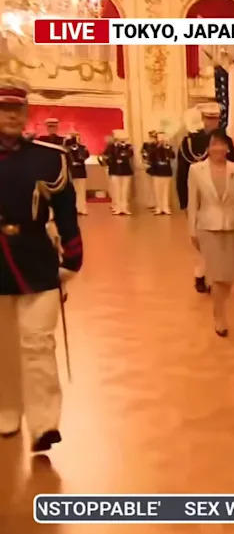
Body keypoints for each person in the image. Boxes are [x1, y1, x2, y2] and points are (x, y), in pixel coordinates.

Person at [0, 76, 83, 452]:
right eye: (4, 109)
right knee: (3, 347)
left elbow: (66, 212)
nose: (11, 115)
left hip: (36, 261)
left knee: (37, 343)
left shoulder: (48, 158)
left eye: (17, 109)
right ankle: (6, 411)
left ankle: (45, 423)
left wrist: (72, 257)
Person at [186, 129, 234, 337]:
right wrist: (191, 230)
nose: (217, 148)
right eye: (213, 144)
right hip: (207, 227)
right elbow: (193, 202)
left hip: (231, 225)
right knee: (216, 274)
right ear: (208, 148)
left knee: (229, 276)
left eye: (221, 144)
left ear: (227, 147)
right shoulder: (196, 170)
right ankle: (219, 315)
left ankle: (219, 306)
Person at [179, 103, 234, 293]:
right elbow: (181, 174)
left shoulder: (227, 141)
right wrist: (184, 202)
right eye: (209, 119)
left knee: (218, 245)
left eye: (215, 119)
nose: (212, 122)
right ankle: (206, 275)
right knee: (204, 243)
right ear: (202, 119)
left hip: (221, 200)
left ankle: (205, 275)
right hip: (199, 200)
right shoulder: (190, 142)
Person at [100, 130, 134, 215]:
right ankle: (118, 207)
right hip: (115, 170)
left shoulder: (128, 147)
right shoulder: (111, 147)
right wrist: (116, 148)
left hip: (126, 170)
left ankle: (124, 207)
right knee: (117, 190)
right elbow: (106, 156)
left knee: (125, 190)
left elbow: (130, 155)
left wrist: (123, 146)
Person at [147, 132, 175, 215]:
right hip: (156, 171)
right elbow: (150, 157)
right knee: (157, 190)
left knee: (165, 191)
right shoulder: (152, 147)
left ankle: (165, 207)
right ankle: (159, 207)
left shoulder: (168, 147)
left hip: (166, 171)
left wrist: (167, 148)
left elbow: (172, 156)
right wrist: (157, 147)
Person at [64, 132, 90, 215]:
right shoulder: (67, 149)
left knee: (81, 191)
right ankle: (72, 208)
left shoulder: (82, 148)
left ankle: (82, 208)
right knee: (72, 192)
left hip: (81, 172)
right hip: (71, 172)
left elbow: (86, 156)